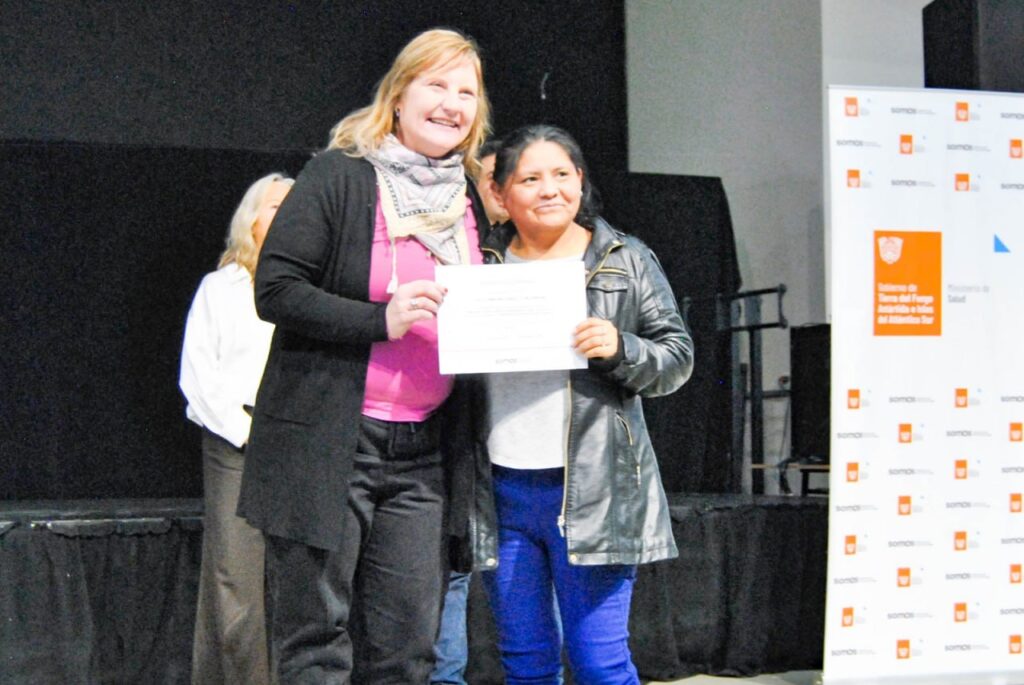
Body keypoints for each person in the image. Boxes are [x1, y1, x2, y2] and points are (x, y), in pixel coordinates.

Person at [237, 28, 491, 684]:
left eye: (466, 92)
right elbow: (276, 289)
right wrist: (381, 319)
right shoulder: (340, 175)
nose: (452, 103)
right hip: (330, 442)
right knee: (316, 641)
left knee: (407, 649)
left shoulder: (467, 200)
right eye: (436, 84)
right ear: (398, 96)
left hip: (426, 453)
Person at [469, 124, 694, 685]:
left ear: (580, 180)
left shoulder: (625, 258)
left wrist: (622, 348)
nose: (549, 189)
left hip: (597, 490)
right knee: (525, 663)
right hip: (500, 491)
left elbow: (677, 358)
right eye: (530, 178)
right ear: (500, 192)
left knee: (600, 663)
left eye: (561, 174)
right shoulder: (476, 264)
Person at [179, 172, 294, 685]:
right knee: (237, 580)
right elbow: (198, 376)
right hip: (237, 440)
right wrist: (246, 431)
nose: (287, 215)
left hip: (300, 440)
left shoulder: (314, 286)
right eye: (276, 206)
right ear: (251, 219)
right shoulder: (221, 288)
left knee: (298, 582)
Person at [429, 136, 507, 685]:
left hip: (522, 450)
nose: (503, 191)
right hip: (456, 439)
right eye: (493, 179)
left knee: (529, 581)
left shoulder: (551, 259)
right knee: (453, 570)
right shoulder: (453, 249)